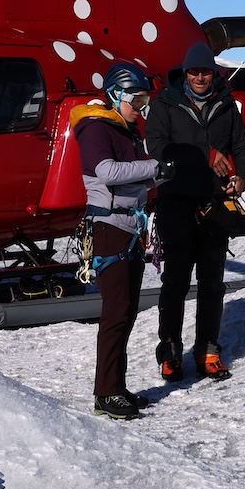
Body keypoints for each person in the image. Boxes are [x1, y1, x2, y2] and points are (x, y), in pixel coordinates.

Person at [145, 39, 245, 382]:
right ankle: (171, 352)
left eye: (205, 71)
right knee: (175, 281)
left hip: (215, 204)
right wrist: (205, 154)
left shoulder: (226, 105)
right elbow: (158, 146)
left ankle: (208, 350)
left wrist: (243, 178)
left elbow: (242, 146)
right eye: (194, 72)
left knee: (212, 282)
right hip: (176, 201)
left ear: (213, 72)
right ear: (185, 73)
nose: (200, 78)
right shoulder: (165, 103)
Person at [74, 62, 160, 420]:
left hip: (131, 228)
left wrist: (164, 176)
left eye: (144, 99)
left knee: (124, 312)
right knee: (115, 312)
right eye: (136, 98)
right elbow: (106, 172)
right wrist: (155, 167)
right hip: (109, 228)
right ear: (115, 94)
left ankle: (116, 386)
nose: (140, 106)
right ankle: (105, 393)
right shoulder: (96, 128)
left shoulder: (126, 129)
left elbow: (135, 178)